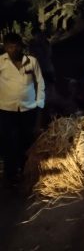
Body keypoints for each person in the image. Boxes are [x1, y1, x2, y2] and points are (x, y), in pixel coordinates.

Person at [0, 32, 45, 187]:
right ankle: (10, 174)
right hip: (6, 110)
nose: (13, 50)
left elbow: (40, 85)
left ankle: (26, 171)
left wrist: (39, 108)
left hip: (28, 110)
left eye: (16, 46)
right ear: (5, 47)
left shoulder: (32, 62)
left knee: (27, 141)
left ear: (21, 46)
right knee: (9, 142)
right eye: (9, 46)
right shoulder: (1, 62)